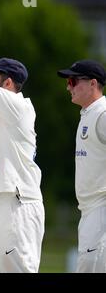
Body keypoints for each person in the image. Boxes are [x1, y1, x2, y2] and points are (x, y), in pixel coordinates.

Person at [57, 59, 106, 273]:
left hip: (100, 209)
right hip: (89, 211)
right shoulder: (89, 113)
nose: (69, 86)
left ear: (93, 84)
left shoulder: (102, 114)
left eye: (73, 80)